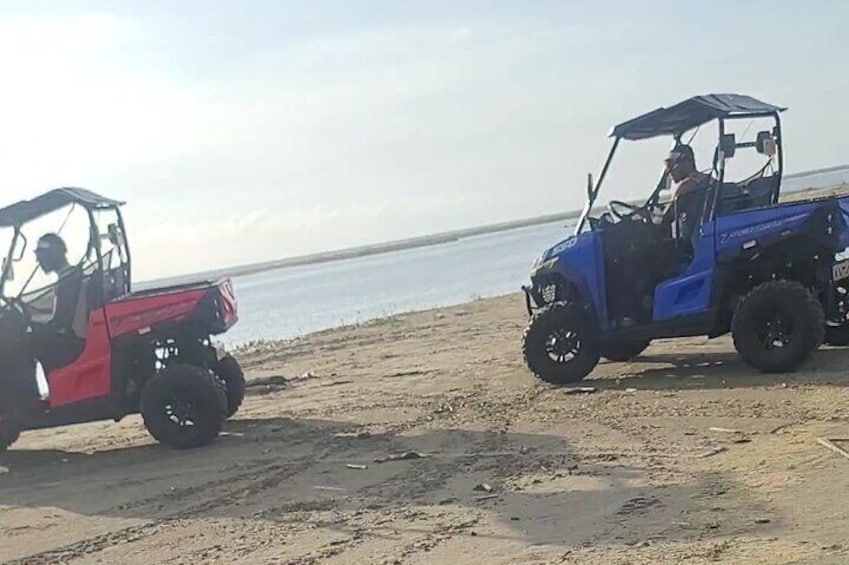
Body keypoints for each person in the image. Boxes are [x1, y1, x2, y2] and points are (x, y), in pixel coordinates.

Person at [29, 233, 87, 372]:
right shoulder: (70, 276)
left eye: (41, 255)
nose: (38, 260)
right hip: (73, 337)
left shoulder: (68, 280)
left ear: (53, 254)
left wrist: (36, 327)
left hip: (73, 343)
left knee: (23, 345)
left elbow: (62, 321)